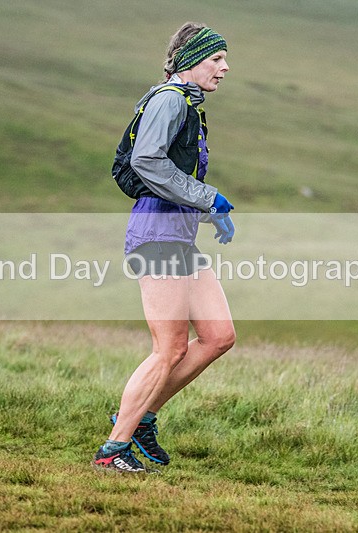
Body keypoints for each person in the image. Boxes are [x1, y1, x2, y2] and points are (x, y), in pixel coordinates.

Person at [93, 22, 236, 473]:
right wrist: (205, 196)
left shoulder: (187, 104)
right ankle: (114, 448)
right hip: (157, 234)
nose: (225, 67)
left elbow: (171, 168)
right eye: (216, 59)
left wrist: (207, 210)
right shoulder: (170, 100)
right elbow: (147, 160)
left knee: (218, 336)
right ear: (193, 60)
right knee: (169, 347)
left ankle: (143, 417)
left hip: (178, 233)